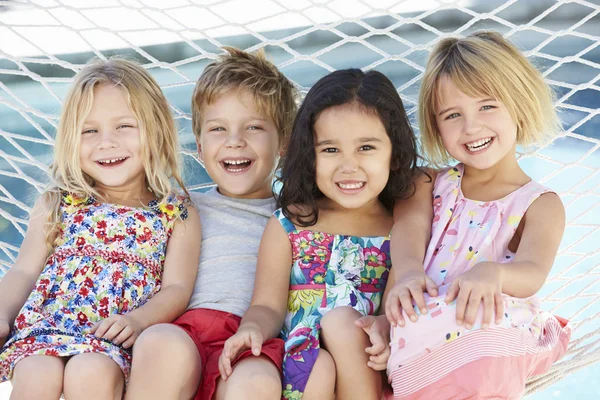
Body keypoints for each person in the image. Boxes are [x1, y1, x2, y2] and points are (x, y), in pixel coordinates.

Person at [0, 58, 201, 399]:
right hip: (49, 326)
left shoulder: (175, 211)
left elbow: (177, 289)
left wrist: (138, 321)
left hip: (111, 336)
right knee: (35, 372)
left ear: (156, 130)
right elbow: (23, 271)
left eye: (124, 126)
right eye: (89, 131)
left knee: (89, 371)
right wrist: (3, 316)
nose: (106, 142)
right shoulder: (59, 202)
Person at [386, 31, 571, 399]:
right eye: (453, 115)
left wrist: (495, 272)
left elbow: (532, 272)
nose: (471, 127)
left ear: (518, 104)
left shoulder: (539, 204)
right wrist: (407, 273)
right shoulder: (426, 183)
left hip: (492, 332)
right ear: (436, 126)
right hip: (426, 335)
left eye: (487, 106)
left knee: (486, 344)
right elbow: (408, 228)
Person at [219, 68, 423, 400]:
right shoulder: (289, 225)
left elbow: (392, 312)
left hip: (368, 367)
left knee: (343, 323)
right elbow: (267, 306)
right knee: (319, 366)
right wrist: (251, 328)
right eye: (330, 150)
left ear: (395, 154)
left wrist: (385, 329)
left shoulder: (400, 232)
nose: (348, 166)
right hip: (303, 370)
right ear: (309, 155)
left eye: (366, 148)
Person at [124, 47, 298, 400]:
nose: (235, 140)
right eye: (218, 129)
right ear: (199, 147)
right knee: (160, 343)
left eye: (253, 127)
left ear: (284, 143)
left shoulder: (294, 218)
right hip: (183, 331)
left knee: (257, 383)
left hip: (251, 338)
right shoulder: (181, 209)